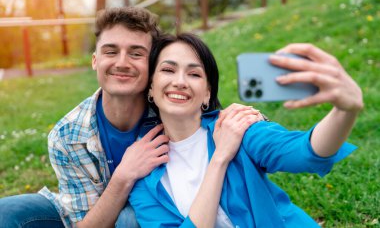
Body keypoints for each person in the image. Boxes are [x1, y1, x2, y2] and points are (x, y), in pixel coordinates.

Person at [0, 7, 260, 228]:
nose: (122, 63)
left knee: (128, 219)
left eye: (136, 53)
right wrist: (124, 175)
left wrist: (249, 120)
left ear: (153, 65)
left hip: (156, 211)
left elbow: (212, 119)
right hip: (90, 209)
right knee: (7, 212)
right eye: (111, 52)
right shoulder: (67, 134)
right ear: (95, 60)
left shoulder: (170, 109)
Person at [128, 33, 363, 227]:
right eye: (168, 70)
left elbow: (304, 152)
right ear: (150, 87)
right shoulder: (145, 171)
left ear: (207, 93)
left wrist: (345, 111)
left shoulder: (235, 126)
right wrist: (220, 159)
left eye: (194, 74)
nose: (180, 81)